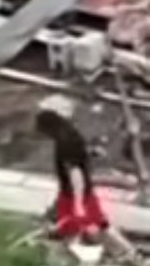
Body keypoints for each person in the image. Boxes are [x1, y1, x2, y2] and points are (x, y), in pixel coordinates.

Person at [35, 97, 110, 241]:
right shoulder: (70, 134)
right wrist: (91, 153)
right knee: (88, 224)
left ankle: (125, 254)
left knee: (89, 225)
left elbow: (76, 173)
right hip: (71, 192)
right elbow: (79, 156)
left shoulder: (65, 141)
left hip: (75, 194)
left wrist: (78, 202)